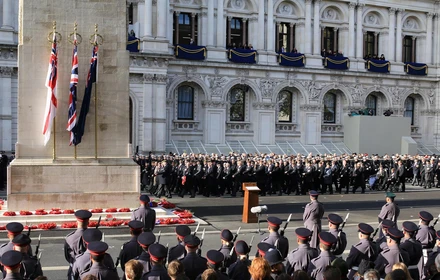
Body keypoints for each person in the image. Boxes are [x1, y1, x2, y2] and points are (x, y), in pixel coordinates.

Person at [65, 210, 92, 280]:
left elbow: (67, 256)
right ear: (88, 222)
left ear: (77, 222)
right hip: (90, 270)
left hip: (74, 268)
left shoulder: (69, 238)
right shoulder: (93, 237)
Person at [416, 211, 436, 279]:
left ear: (421, 219)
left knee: (422, 273)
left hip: (421, 253)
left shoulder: (419, 230)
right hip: (430, 253)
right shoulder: (432, 231)